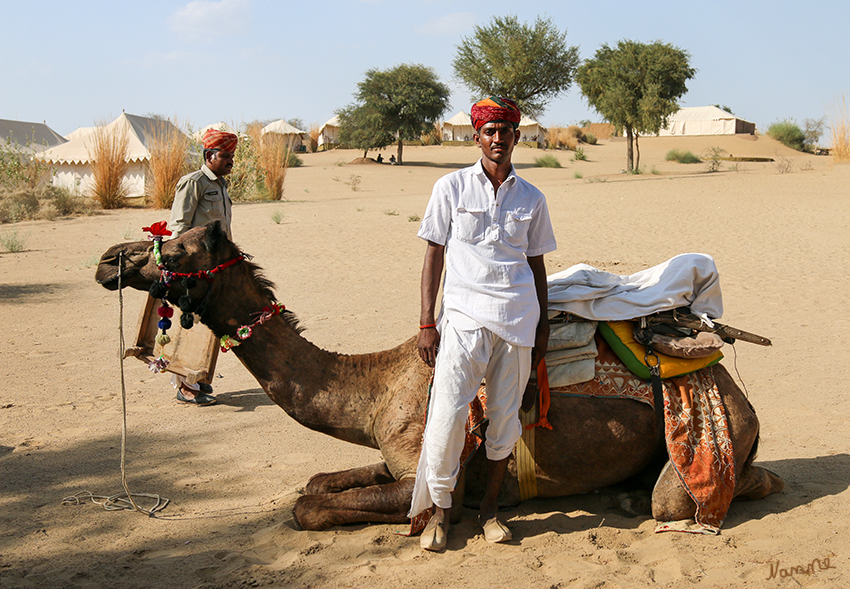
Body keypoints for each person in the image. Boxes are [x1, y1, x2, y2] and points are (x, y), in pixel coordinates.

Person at [409, 97, 557, 551]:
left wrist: (542, 326)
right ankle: (440, 513)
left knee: (504, 422)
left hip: (516, 323)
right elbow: (433, 254)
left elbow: (537, 267)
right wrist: (426, 322)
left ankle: (490, 512)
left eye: (505, 131)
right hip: (463, 320)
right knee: (448, 418)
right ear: (477, 137)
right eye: (489, 131)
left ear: (517, 137)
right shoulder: (450, 188)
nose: (497, 139)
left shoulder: (532, 198)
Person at [166, 128, 238, 405]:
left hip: (218, 267)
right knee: (191, 324)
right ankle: (185, 387)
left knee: (212, 323)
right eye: (226, 156)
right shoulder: (192, 182)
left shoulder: (220, 184)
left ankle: (199, 379)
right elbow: (179, 228)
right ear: (209, 155)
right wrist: (185, 269)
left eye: (232, 156)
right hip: (195, 270)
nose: (231, 161)